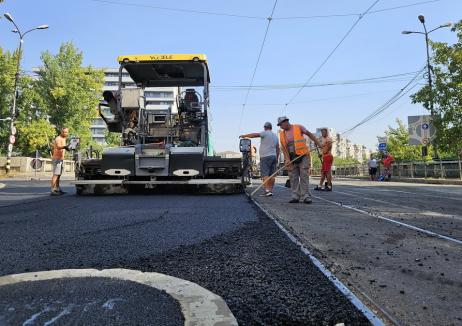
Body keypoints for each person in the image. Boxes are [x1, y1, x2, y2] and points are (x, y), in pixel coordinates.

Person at [277, 116, 321, 204]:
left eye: (281, 125)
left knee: (304, 175)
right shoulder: (282, 134)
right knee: (293, 177)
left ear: (286, 122)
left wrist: (317, 142)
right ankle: (295, 196)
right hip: (292, 157)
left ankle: (305, 196)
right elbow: (284, 148)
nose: (280, 127)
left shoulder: (298, 127)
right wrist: (287, 159)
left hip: (303, 155)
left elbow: (309, 134)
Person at [240, 122, 280, 196]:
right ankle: (270, 191)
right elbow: (278, 149)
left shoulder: (265, 133)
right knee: (272, 175)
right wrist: (277, 158)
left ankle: (267, 191)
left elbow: (255, 135)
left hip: (265, 157)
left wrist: (245, 136)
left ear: (265, 127)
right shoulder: (275, 136)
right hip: (273, 156)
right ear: (271, 127)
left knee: (265, 174)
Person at [50, 127, 69, 196]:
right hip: (57, 159)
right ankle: (52, 190)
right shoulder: (58, 138)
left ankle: (57, 189)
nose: (65, 133)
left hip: (61, 159)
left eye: (66, 132)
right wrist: (65, 147)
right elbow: (58, 147)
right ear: (61, 132)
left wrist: (68, 148)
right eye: (64, 132)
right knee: (55, 174)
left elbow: (63, 147)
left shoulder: (64, 139)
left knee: (59, 175)